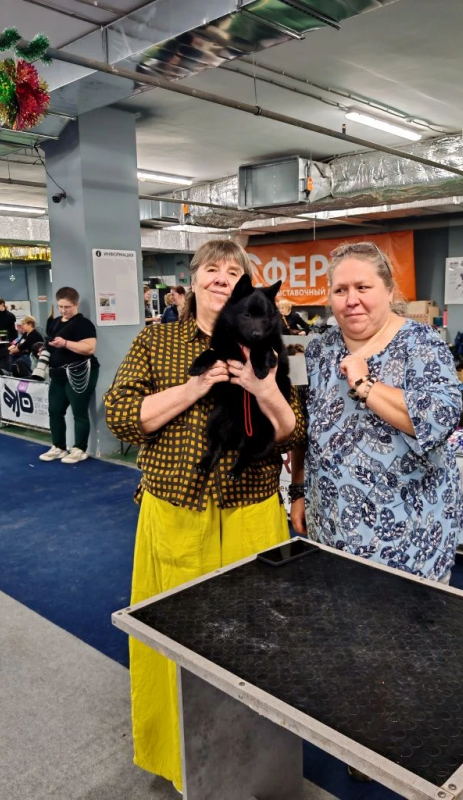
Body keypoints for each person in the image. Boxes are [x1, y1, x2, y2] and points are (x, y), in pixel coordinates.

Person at [104, 239, 305, 793]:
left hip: (251, 513)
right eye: (211, 269)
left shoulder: (267, 344)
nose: (222, 278)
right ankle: (180, 762)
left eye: (234, 271)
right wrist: (195, 386)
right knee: (172, 642)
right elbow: (121, 416)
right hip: (175, 513)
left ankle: (257, 764)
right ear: (192, 280)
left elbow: (294, 432)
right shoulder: (157, 340)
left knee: (258, 643)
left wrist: (264, 389)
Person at [291, 241, 463, 583]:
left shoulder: (422, 343)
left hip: (410, 536)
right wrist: (298, 491)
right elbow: (304, 427)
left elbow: (439, 420)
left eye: (363, 287)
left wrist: (365, 384)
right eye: (340, 290)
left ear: (388, 290)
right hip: (331, 525)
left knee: (408, 616)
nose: (351, 299)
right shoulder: (319, 349)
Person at [39, 287, 99, 464]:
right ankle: (58, 446)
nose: (63, 310)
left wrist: (65, 343)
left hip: (80, 372)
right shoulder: (54, 322)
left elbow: (89, 348)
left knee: (79, 411)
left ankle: (80, 449)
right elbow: (49, 345)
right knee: (55, 411)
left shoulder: (84, 324)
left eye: (67, 307)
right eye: (60, 306)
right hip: (58, 373)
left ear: (76, 304)